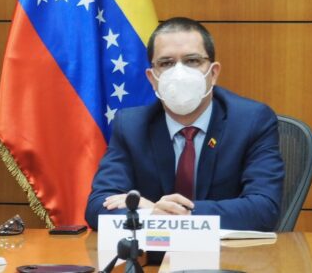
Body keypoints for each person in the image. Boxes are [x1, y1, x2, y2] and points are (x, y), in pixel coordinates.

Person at [84, 17, 284, 231]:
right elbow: (98, 207)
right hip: (153, 258)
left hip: (227, 257)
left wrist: (172, 214)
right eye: (166, 63)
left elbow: (264, 209)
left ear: (213, 73)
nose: (179, 73)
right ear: (152, 78)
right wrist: (150, 213)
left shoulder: (251, 121)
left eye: (192, 61)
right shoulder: (131, 125)